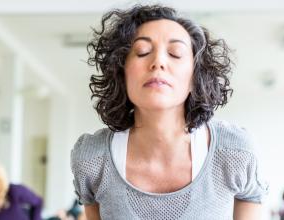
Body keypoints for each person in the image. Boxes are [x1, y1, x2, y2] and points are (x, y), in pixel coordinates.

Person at [71, 4, 268, 220]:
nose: (158, 62)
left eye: (175, 53)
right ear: (122, 72)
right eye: (142, 52)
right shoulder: (92, 159)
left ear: (195, 77)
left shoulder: (236, 153)